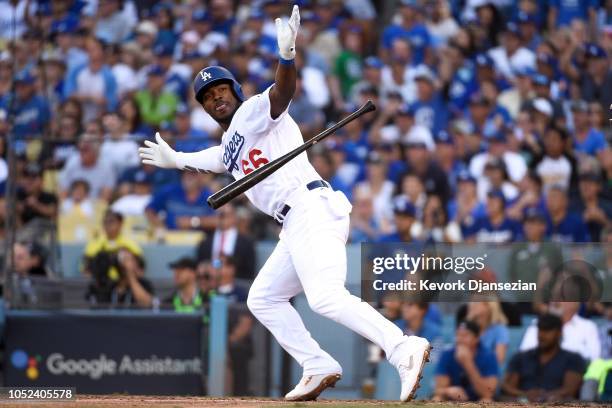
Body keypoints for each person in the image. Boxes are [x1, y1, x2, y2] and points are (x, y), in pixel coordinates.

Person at [139, 5, 430, 402]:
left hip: (310, 206)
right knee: (263, 298)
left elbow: (283, 91)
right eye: (208, 96)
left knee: (325, 297)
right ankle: (317, 364)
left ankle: (401, 347)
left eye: (221, 89)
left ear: (235, 91)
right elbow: (211, 159)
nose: (216, 98)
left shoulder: (255, 111)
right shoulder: (229, 146)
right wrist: (177, 159)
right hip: (293, 223)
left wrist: (286, 58)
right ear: (204, 107)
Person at [502, 313, 586, 402]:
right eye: (540, 330)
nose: (542, 335)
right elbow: (508, 387)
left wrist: (544, 396)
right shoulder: (521, 357)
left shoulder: (573, 359)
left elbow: (570, 390)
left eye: (547, 331)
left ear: (559, 333)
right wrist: (525, 394)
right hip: (524, 402)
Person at [433, 320, 499, 402]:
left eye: (465, 335)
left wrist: (468, 364)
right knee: (437, 399)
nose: (460, 339)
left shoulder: (488, 356)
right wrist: (448, 391)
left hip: (478, 400)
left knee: (487, 400)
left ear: (476, 338)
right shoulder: (447, 354)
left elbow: (488, 393)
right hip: (453, 400)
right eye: (458, 335)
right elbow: (438, 389)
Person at [520, 302, 601, 362]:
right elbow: (525, 353)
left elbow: (594, 358)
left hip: (576, 376)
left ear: (575, 304)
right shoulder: (537, 324)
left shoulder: (588, 327)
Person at [196, 203, 256, 280]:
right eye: (221, 215)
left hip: (236, 283)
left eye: (227, 215)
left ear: (235, 217)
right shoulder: (205, 242)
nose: (224, 218)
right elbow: (200, 265)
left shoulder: (246, 243)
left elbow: (249, 270)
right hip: (210, 283)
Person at [86, 248, 154, 308]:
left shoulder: (144, 284)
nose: (124, 262)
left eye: (128, 259)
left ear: (136, 263)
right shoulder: (111, 286)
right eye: (122, 258)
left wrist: (130, 275)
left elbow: (146, 304)